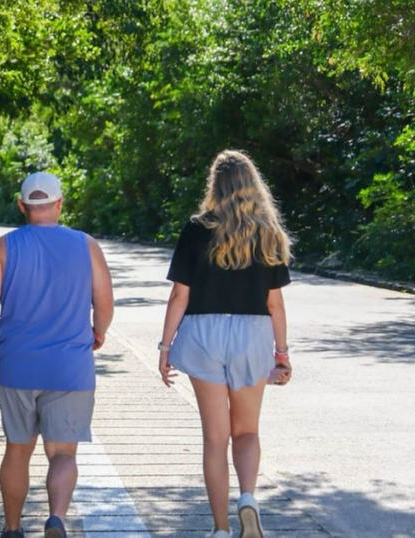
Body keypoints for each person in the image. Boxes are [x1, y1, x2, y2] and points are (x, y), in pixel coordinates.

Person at [0, 171, 114, 538]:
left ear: (22, 205)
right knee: (63, 454)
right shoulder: (86, 245)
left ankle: (12, 529)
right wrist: (98, 331)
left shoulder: (3, 247)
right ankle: (55, 518)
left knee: (17, 450)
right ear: (59, 203)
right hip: (70, 368)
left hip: (17, 369)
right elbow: (104, 302)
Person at [158, 150, 293, 538]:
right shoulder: (266, 231)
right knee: (246, 431)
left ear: (214, 186)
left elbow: (179, 296)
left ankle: (219, 529)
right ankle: (248, 498)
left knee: (215, 438)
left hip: (203, 334)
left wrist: (165, 347)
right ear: (253, 185)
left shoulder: (196, 229)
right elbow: (275, 303)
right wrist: (280, 354)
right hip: (252, 334)